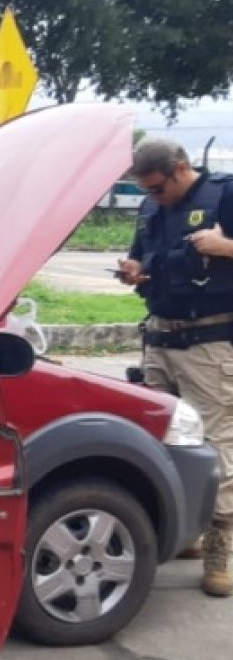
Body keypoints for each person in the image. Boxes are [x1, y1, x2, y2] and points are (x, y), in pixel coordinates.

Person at [117, 138, 233, 597]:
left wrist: (224, 247)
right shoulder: (152, 209)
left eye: (159, 187)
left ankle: (220, 544)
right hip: (159, 337)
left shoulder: (224, 193)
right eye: (146, 189)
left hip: (209, 341)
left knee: (218, 441)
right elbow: (140, 257)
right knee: (160, 440)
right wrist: (131, 269)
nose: (154, 196)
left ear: (182, 169)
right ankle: (188, 528)